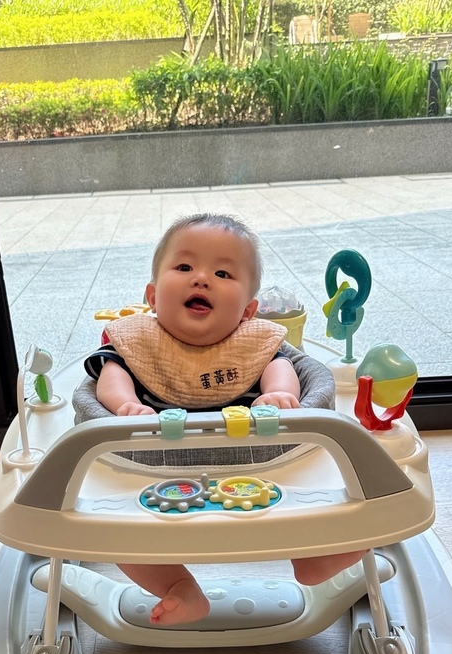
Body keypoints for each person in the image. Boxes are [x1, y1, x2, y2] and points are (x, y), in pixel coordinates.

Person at [83, 213, 365, 626]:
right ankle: (178, 587)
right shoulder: (138, 342)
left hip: (263, 466)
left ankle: (316, 557)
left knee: (314, 501)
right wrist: (126, 405)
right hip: (151, 472)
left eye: (222, 273)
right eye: (184, 267)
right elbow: (110, 375)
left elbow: (284, 367)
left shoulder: (254, 344)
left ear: (248, 310)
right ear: (153, 296)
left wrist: (278, 393)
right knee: (118, 530)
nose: (201, 279)